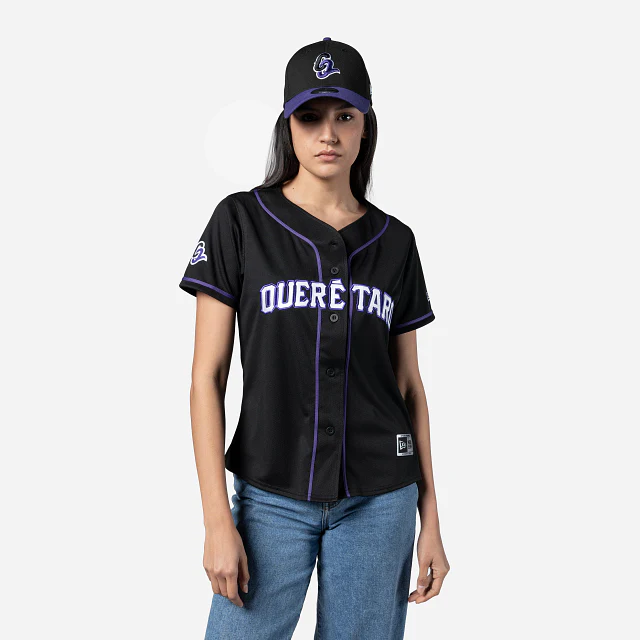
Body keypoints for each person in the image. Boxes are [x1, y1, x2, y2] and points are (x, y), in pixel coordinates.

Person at [179, 37, 450, 640]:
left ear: (365, 125)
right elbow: (206, 378)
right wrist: (217, 520)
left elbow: (409, 386)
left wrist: (430, 517)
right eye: (310, 116)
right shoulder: (241, 222)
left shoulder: (396, 243)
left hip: (380, 498)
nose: (328, 133)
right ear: (288, 125)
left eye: (344, 116)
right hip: (269, 496)